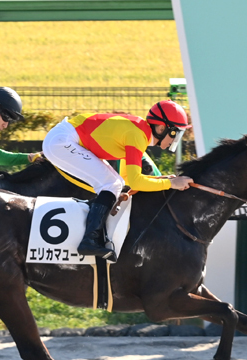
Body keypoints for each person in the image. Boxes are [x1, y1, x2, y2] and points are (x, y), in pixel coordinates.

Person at [42, 100, 194, 261]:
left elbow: (127, 178)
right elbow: (136, 182)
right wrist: (171, 184)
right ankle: (89, 240)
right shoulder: (137, 136)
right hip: (63, 141)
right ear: (162, 128)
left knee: (115, 183)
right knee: (111, 184)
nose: (175, 140)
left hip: (63, 138)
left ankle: (92, 237)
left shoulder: (139, 132)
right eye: (175, 133)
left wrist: (162, 179)